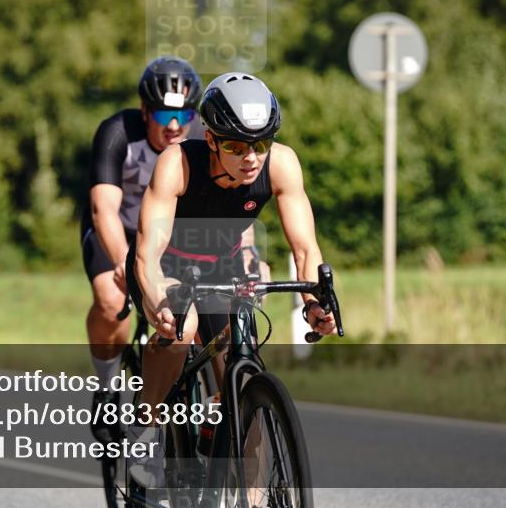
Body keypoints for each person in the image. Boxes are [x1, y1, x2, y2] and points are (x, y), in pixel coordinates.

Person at [126, 72, 337, 486]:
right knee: (181, 330)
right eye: (235, 146)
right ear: (210, 140)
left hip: (222, 266)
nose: (251, 158)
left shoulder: (282, 164)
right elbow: (149, 247)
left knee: (244, 377)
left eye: (259, 144)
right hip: (167, 264)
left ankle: (250, 485)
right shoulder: (178, 163)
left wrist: (315, 302)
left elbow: (305, 249)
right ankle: (146, 427)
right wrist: (155, 294)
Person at [82, 56, 203, 441]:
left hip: (169, 234)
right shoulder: (117, 132)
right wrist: (122, 262)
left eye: (183, 115)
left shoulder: (202, 136)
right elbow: (103, 209)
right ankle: (108, 388)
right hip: (117, 230)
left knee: (198, 312)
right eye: (164, 114)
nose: (173, 125)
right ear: (145, 110)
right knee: (109, 298)